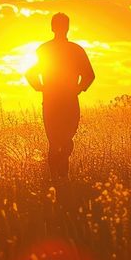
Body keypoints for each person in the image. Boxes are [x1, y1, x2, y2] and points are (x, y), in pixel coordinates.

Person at [25, 13, 95, 180]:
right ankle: (60, 177)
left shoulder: (45, 49)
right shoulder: (75, 50)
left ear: (52, 27)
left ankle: (58, 177)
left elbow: (31, 73)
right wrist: (78, 89)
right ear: (67, 27)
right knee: (64, 139)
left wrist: (41, 87)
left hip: (52, 101)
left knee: (57, 140)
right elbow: (89, 76)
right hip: (68, 100)